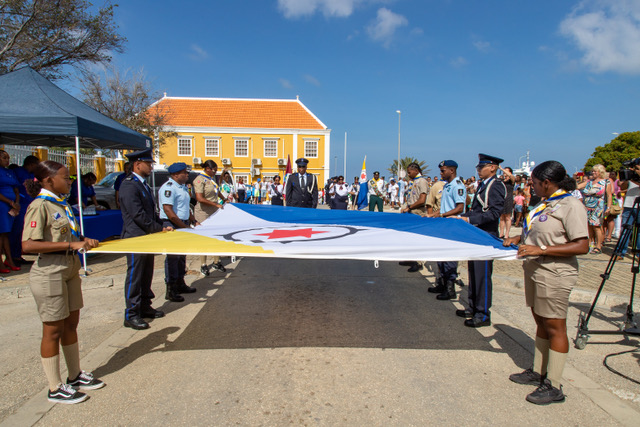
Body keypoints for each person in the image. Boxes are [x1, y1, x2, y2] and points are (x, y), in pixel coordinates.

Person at [503, 160, 588, 405]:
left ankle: (554, 384)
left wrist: (538, 248)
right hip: (536, 269)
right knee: (540, 320)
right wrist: (519, 238)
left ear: (547, 183)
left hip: (555, 273)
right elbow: (542, 232)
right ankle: (539, 371)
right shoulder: (546, 203)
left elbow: (582, 245)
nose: (532, 186)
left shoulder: (571, 205)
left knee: (555, 326)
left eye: (535, 183)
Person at [22, 160, 104, 404]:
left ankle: (75, 375)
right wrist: (71, 244)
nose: (69, 181)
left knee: (71, 323)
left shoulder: (61, 203)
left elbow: (67, 234)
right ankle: (54, 387)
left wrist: (82, 239)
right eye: (65, 177)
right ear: (49, 180)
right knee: (53, 329)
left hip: (69, 267)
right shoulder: (40, 206)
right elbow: (28, 244)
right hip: (50, 271)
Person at [119, 149, 171, 330]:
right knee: (135, 276)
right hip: (135, 238)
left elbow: (151, 212)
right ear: (137, 164)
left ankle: (144, 306)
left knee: (146, 273)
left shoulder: (143, 185)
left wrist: (161, 224)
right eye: (148, 164)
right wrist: (159, 227)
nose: (151, 167)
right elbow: (137, 215)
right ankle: (131, 313)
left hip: (146, 238)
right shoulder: (128, 185)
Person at [453, 153, 506, 327]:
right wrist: (461, 216)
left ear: (492, 167)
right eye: (478, 167)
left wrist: (468, 220)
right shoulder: (484, 185)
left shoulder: (496, 185)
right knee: (473, 273)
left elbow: (493, 213)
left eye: (481, 167)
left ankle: (483, 314)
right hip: (476, 236)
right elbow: (476, 210)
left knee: (482, 276)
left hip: (486, 236)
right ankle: (473, 307)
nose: (478, 170)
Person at [158, 162, 197, 301]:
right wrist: (183, 226)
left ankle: (180, 282)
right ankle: (171, 288)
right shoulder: (168, 188)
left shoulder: (182, 187)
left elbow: (185, 207)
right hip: (173, 224)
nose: (187, 175)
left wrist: (193, 220)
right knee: (173, 258)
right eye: (184, 173)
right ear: (175, 175)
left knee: (181, 256)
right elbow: (169, 212)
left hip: (183, 223)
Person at [430, 160, 466, 300]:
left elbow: (459, 208)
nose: (441, 173)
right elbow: (445, 206)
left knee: (449, 258)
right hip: (443, 224)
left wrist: (442, 214)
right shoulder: (447, 186)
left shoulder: (457, 186)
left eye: (443, 170)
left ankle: (450, 289)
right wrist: (434, 214)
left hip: (452, 226)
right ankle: (442, 284)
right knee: (441, 256)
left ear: (452, 170)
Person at [193, 160, 226, 275]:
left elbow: (216, 192)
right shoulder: (199, 180)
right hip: (203, 212)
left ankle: (216, 261)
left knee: (216, 236)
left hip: (214, 211)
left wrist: (224, 199)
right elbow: (200, 198)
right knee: (204, 238)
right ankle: (203, 265)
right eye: (214, 170)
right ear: (207, 168)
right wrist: (215, 204)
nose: (215, 172)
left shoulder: (211, 180)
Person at [10, 155, 40, 265]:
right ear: (31, 164)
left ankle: (18, 255)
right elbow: (15, 188)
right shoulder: (17, 172)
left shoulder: (33, 175)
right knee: (16, 232)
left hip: (29, 205)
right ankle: (13, 256)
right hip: (20, 206)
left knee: (23, 232)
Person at [400, 163, 429, 272]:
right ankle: (410, 258)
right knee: (409, 238)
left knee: (417, 239)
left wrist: (409, 207)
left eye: (409, 172)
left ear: (416, 170)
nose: (408, 174)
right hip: (411, 210)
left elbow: (422, 200)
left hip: (418, 211)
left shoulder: (422, 181)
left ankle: (418, 262)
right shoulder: (413, 182)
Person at [577, 164, 611, 254]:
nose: (593, 172)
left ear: (600, 172)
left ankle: (598, 245)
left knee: (596, 226)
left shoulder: (606, 182)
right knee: (588, 226)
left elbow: (609, 195)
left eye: (595, 171)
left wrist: (609, 207)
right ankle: (589, 244)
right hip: (587, 206)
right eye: (592, 171)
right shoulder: (589, 182)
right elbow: (577, 187)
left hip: (598, 206)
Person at [0, 150, 21, 273]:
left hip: (11, 206)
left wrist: (16, 203)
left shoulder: (10, 172)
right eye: (4, 158)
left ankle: (9, 259)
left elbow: (16, 190)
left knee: (6, 234)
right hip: (2, 205)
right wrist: (10, 202)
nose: (7, 160)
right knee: (1, 234)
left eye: (8, 158)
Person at [499, 166, 515, 239]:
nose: (504, 173)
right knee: (502, 217)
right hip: (502, 199)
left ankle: (507, 234)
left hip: (508, 199)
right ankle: (501, 233)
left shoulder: (511, 181)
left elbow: (512, 177)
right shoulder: (502, 181)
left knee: (508, 217)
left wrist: (502, 169)